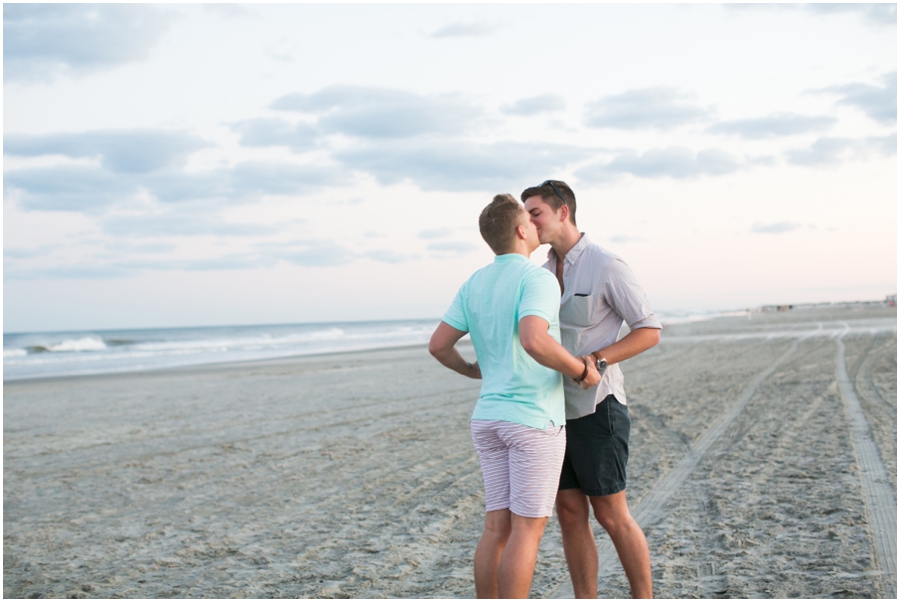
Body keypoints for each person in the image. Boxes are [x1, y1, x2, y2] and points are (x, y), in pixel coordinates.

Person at [429, 194, 601, 599]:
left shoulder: (474, 281)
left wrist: (473, 370)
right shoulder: (536, 278)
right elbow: (533, 340)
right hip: (532, 420)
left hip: (488, 418)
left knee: (496, 527)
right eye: (530, 218)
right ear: (522, 230)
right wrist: (580, 370)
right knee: (527, 528)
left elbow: (439, 345)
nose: (535, 224)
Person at [521, 180, 662, 599]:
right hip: (552, 410)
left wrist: (599, 360)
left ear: (563, 211)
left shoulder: (605, 264)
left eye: (535, 212)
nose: (527, 221)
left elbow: (649, 330)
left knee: (611, 514)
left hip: (599, 407)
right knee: (568, 513)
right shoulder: (540, 273)